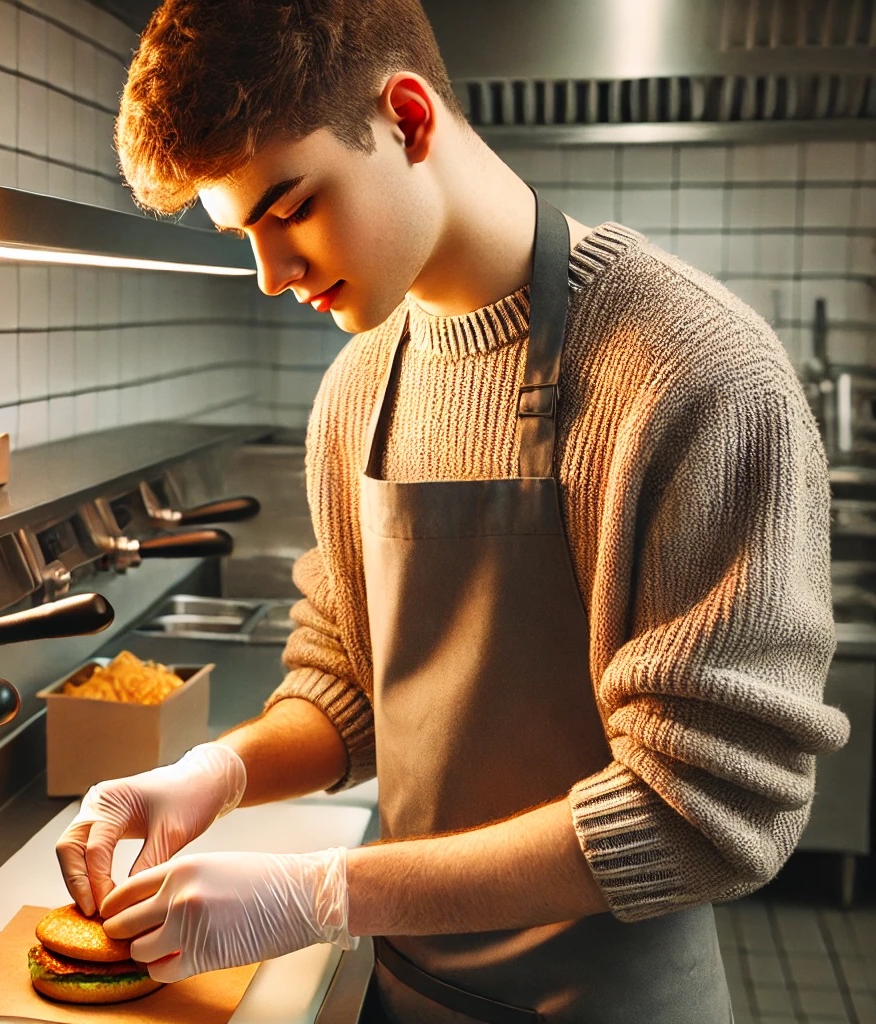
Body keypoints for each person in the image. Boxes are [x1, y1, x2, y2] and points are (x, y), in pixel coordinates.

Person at [55, 2, 851, 1021]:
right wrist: (216, 772)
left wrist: (327, 891)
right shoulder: (356, 393)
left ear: (408, 120)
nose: (271, 274)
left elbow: (708, 812)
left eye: (288, 207)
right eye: (242, 232)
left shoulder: (695, 374)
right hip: (406, 992)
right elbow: (346, 683)